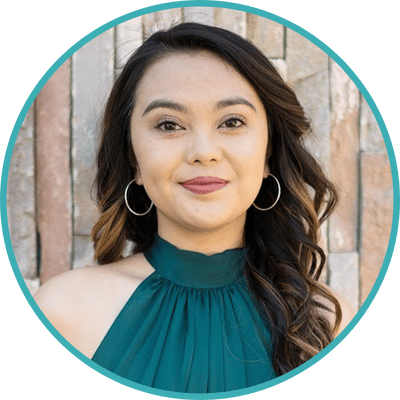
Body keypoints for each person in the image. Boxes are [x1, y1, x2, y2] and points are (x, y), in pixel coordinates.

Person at [34, 22, 354, 393]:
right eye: (169, 125)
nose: (203, 152)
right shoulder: (61, 314)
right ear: (133, 160)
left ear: (269, 153)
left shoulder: (325, 327)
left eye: (232, 122)